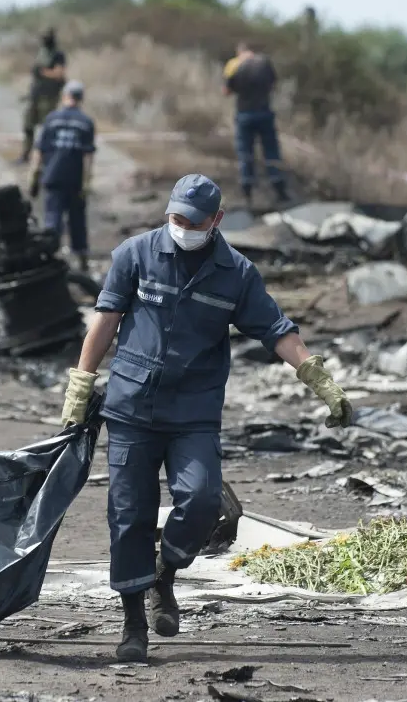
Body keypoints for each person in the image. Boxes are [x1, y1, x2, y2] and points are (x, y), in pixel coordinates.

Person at [59, 174, 352, 662]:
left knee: (199, 501)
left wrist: (318, 379)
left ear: (216, 220)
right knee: (128, 515)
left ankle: (164, 576)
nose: (183, 227)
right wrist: (80, 386)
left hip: (193, 412)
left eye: (194, 221)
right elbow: (105, 322)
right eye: (176, 218)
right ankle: (133, 624)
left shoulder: (236, 273)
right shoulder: (134, 254)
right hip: (131, 408)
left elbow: (276, 329)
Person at [27, 80, 96, 271]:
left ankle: (49, 259)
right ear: (81, 98)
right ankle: (82, 261)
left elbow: (39, 150)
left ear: (65, 96)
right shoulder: (86, 122)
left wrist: (33, 176)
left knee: (52, 220)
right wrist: (87, 182)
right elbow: (87, 156)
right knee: (77, 221)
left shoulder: (51, 119)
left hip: (52, 176)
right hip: (74, 179)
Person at [223, 41, 289, 204]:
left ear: (239, 52)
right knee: (271, 151)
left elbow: (227, 91)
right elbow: (273, 84)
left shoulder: (234, 65)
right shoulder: (264, 63)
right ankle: (279, 189)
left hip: (244, 114)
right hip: (264, 112)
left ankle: (247, 192)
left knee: (246, 153)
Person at [18, 28, 67, 164]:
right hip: (36, 94)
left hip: (49, 96)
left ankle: (47, 156)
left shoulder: (58, 55)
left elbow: (58, 74)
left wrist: (43, 72)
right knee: (28, 125)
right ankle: (26, 154)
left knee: (48, 127)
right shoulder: (42, 53)